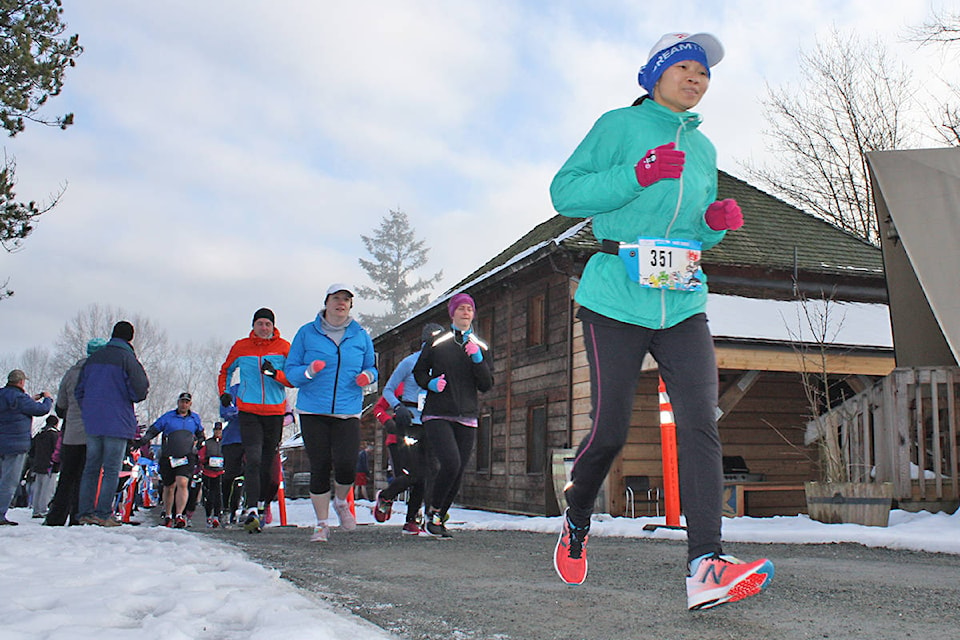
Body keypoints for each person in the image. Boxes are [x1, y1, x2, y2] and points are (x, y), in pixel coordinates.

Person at [548, 32, 773, 609]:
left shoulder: (705, 150)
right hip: (616, 295)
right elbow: (565, 193)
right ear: (654, 74)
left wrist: (716, 221)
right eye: (687, 68)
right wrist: (637, 175)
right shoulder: (617, 127)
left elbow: (694, 227)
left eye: (705, 73)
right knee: (613, 428)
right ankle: (576, 516)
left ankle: (706, 564)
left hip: (683, 297)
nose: (697, 79)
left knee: (702, 423)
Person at [284, 283, 377, 542]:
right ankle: (321, 524)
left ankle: (341, 502)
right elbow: (290, 372)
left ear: (350, 305)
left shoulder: (360, 335)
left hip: (347, 410)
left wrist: (366, 376)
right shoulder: (307, 333)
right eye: (336, 298)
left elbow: (373, 367)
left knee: (348, 464)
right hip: (313, 410)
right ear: (326, 302)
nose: (341, 303)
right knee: (320, 465)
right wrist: (309, 371)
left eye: (346, 300)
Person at [413, 294, 493, 538]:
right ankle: (431, 511)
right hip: (438, 412)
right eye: (461, 309)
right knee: (451, 462)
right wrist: (431, 383)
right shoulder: (437, 342)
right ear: (452, 313)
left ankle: (437, 516)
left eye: (470, 309)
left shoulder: (480, 346)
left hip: (467, 414)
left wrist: (478, 360)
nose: (466, 313)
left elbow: (487, 384)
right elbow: (418, 372)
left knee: (458, 471)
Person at [218, 307, 292, 533]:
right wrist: (224, 392)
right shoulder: (241, 346)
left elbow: (292, 379)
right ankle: (250, 508)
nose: (264, 328)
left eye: (267, 324)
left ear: (273, 327)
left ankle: (261, 505)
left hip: (274, 412)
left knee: (268, 464)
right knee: (253, 458)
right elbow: (225, 371)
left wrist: (275, 374)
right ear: (253, 326)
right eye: (260, 323)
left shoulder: (284, 347)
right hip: (248, 411)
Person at [75, 321, 150, 527]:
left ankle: (85, 513)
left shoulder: (93, 359)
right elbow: (140, 389)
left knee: (91, 468)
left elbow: (79, 390)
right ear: (130, 338)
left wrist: (89, 410)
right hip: (117, 421)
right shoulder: (128, 359)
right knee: (111, 469)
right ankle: (103, 513)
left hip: (93, 422)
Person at [373, 322, 444, 535]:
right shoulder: (409, 363)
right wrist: (397, 408)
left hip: (431, 424)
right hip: (408, 424)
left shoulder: (442, 366)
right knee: (412, 474)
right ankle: (386, 496)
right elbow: (387, 391)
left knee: (429, 473)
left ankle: (412, 519)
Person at [45, 338, 109, 526]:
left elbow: (61, 405)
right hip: (94, 433)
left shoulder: (71, 373)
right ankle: (78, 517)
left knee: (67, 476)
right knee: (86, 476)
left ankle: (55, 517)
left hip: (72, 433)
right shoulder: (103, 375)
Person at [140, 392, 204, 528]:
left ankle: (180, 515)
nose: (184, 404)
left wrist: (199, 444)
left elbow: (200, 434)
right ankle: (168, 514)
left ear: (190, 404)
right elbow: (154, 429)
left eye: (187, 402)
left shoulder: (195, 418)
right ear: (178, 402)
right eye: (182, 402)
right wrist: (145, 439)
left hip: (186, 456)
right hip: (169, 455)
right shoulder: (168, 417)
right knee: (169, 486)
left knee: (182, 482)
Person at [0, 369, 53, 525]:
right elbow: (41, 410)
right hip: (15, 446)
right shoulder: (21, 399)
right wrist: (47, 399)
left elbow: (12, 408)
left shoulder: (4, 395)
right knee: (9, 481)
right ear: (21, 382)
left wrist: (31, 399)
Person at [218, 384, 246, 524]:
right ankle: (227, 509)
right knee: (230, 476)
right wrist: (242, 412)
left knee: (252, 474)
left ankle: (249, 508)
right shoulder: (234, 390)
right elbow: (225, 413)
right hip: (233, 440)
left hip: (254, 439)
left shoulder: (264, 390)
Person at [29, 415, 60, 518]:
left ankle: (36, 509)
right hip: (50, 465)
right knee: (47, 489)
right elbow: (57, 450)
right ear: (56, 423)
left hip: (38, 464)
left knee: (38, 487)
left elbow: (31, 450)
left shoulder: (39, 434)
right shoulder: (54, 435)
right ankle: (43, 509)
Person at [198, 423, 225, 527]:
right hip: (208, 472)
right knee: (209, 495)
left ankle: (217, 516)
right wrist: (205, 462)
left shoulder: (224, 442)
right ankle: (208, 515)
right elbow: (201, 455)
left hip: (220, 472)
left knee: (218, 494)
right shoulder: (208, 443)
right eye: (216, 430)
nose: (217, 432)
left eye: (219, 430)